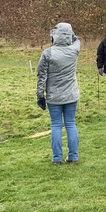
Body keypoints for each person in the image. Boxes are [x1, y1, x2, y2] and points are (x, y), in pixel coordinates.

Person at [36, 23, 80, 165]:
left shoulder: (47, 53)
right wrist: (69, 34)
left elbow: (41, 76)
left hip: (54, 95)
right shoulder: (75, 49)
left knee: (56, 125)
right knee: (70, 124)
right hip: (71, 94)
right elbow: (76, 39)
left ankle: (57, 158)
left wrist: (40, 95)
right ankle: (73, 156)